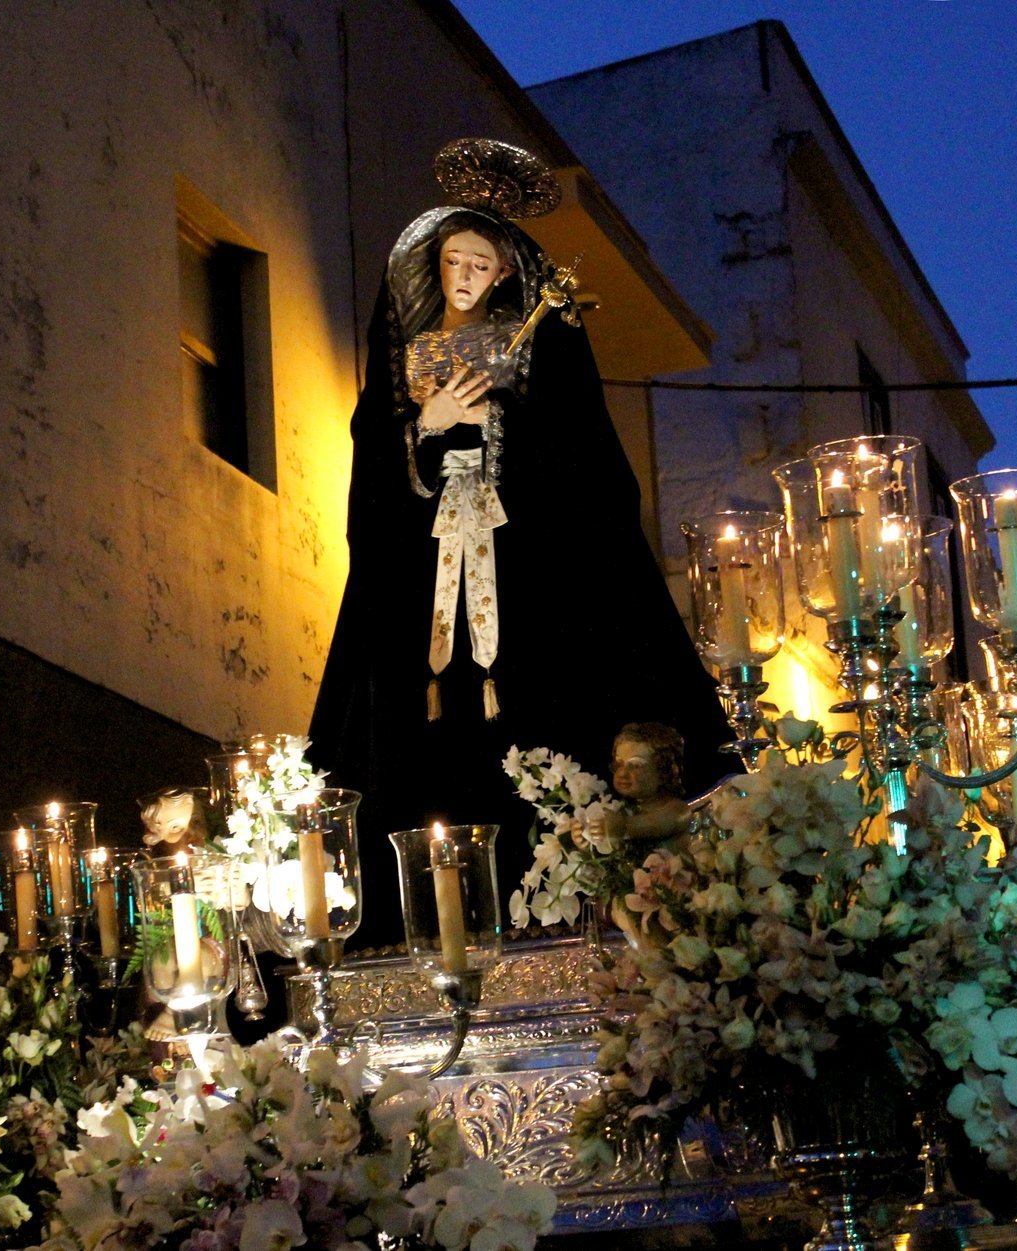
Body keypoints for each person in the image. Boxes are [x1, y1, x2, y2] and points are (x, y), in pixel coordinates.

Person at [308, 139, 731, 950]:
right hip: (428, 567)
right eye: (453, 261)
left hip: (522, 573)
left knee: (529, 718)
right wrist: (424, 429)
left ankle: (550, 903)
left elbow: (584, 470)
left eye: (480, 264)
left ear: (504, 273)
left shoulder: (536, 348)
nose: (463, 276)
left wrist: (499, 424)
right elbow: (375, 473)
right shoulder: (405, 363)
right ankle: (424, 913)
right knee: (432, 713)